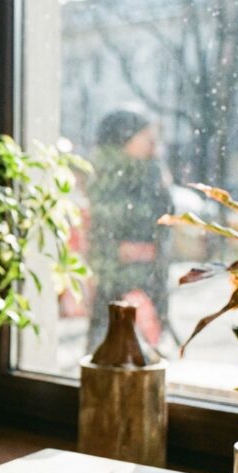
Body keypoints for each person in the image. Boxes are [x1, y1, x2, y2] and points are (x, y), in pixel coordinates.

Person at [85, 108, 174, 353]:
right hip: (121, 277)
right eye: (145, 135)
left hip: (143, 276)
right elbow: (106, 225)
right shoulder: (116, 174)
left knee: (130, 345)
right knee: (117, 343)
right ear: (126, 139)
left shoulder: (147, 170)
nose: (152, 142)